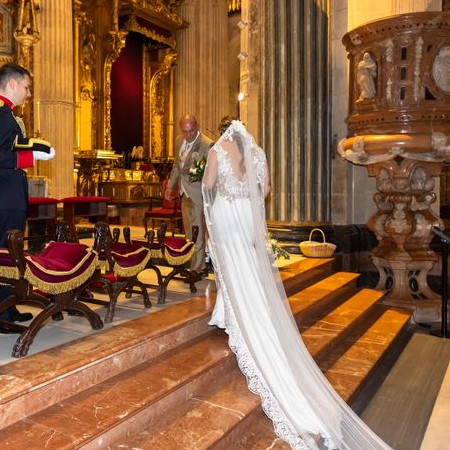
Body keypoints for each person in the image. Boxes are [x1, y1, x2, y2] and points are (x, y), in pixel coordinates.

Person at [202, 120, 391, 449]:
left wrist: (213, 213)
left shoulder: (217, 151)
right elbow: (265, 191)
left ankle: (229, 314)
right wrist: (247, 202)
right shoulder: (257, 153)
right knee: (247, 272)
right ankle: (237, 312)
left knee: (230, 270)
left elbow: (207, 185)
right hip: (246, 218)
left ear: (224, 133)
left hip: (225, 217)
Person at [0, 63, 55, 325]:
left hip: (10, 192)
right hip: (2, 192)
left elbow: (11, 147)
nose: (28, 93)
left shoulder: (9, 115)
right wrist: (31, 156)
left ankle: (8, 306)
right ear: (11, 84)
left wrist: (34, 149)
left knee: (13, 252)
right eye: (26, 87)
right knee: (2, 252)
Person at [164, 115, 213, 282]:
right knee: (188, 232)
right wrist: (171, 186)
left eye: (191, 131)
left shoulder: (207, 144)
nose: (188, 135)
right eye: (185, 131)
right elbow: (177, 166)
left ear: (197, 126)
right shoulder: (179, 140)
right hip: (184, 192)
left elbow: (211, 172)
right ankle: (195, 263)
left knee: (198, 230)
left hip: (198, 193)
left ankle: (198, 268)